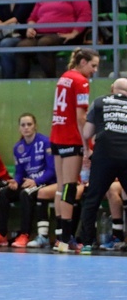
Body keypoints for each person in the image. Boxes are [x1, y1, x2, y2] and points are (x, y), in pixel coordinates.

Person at [51, 47, 98, 253]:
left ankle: (60, 237)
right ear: (82, 62)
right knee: (70, 188)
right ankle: (66, 239)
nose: (95, 70)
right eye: (93, 65)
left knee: (61, 188)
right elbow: (81, 117)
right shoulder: (81, 81)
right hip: (71, 138)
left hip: (56, 136)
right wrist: (87, 146)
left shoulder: (64, 77)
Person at [0, 113, 56, 247]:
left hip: (45, 183)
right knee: (2, 193)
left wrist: (36, 181)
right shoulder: (18, 147)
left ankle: (25, 234)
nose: (26, 128)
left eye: (29, 124)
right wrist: (16, 181)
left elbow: (52, 170)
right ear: (19, 128)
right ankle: (1, 234)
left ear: (35, 126)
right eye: (23, 125)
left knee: (26, 194)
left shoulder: (45, 142)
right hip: (28, 182)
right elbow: (20, 172)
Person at [15, 0, 91, 79]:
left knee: (44, 44)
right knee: (21, 47)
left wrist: (74, 33)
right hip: (40, 34)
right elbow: (32, 17)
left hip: (62, 35)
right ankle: (21, 83)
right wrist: (30, 28)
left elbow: (85, 15)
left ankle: (51, 80)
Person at [79, 78, 127, 254]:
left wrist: (87, 150)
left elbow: (87, 133)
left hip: (103, 155)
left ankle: (87, 243)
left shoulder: (99, 102)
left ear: (113, 88)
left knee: (92, 199)